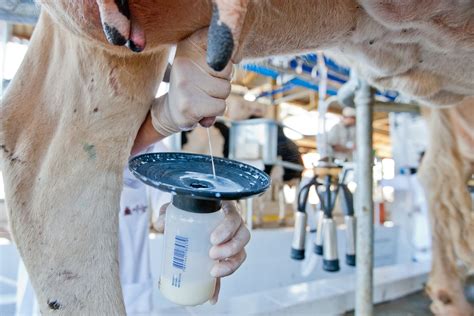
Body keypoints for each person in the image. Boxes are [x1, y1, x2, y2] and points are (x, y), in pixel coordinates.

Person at [16, 29, 249, 314]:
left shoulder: (156, 152)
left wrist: (211, 209)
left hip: (132, 302)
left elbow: (174, 200)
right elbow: (74, 156)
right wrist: (161, 121)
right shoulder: (45, 131)